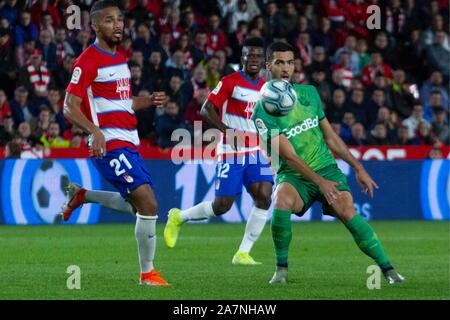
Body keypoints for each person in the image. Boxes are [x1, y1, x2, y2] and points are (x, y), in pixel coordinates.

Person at [251, 41, 404, 285]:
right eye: (279, 62)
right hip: (293, 176)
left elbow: (331, 137)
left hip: (326, 168)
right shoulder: (261, 112)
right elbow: (289, 156)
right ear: (268, 65)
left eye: (290, 62)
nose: (286, 68)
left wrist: (358, 167)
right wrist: (320, 183)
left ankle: (389, 270)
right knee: (280, 201)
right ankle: (281, 270)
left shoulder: (309, 93)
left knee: (347, 211)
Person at [60, 0, 169, 286]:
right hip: (108, 144)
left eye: (120, 19)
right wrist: (94, 131)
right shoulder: (87, 61)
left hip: (129, 141)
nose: (118, 24)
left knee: (137, 206)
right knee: (148, 202)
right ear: (95, 25)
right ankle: (148, 274)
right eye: (109, 20)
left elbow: (122, 102)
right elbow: (69, 106)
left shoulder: (119, 58)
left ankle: (83, 195)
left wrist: (147, 101)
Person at [164, 37, 274, 265]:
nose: (252, 60)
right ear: (242, 58)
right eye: (248, 55)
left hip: (255, 149)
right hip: (231, 151)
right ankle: (178, 217)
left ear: (263, 61)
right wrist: (227, 131)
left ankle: (243, 253)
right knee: (222, 205)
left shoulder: (265, 87)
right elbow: (206, 110)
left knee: (264, 197)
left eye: (257, 56)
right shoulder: (230, 82)